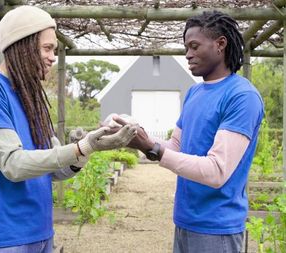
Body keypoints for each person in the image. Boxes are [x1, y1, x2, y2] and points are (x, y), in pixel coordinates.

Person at [0, 6, 137, 252]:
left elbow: (55, 170)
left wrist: (90, 148)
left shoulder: (30, 94)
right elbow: (13, 164)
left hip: (41, 233)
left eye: (54, 50)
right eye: (47, 48)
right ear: (21, 44)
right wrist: (81, 146)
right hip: (3, 238)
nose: (53, 57)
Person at [111, 11, 264, 253]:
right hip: (185, 220)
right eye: (186, 47)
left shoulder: (242, 97)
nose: (188, 54)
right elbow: (175, 147)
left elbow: (217, 172)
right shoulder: (194, 93)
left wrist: (151, 148)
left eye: (194, 46)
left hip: (217, 228)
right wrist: (137, 137)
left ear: (220, 44)